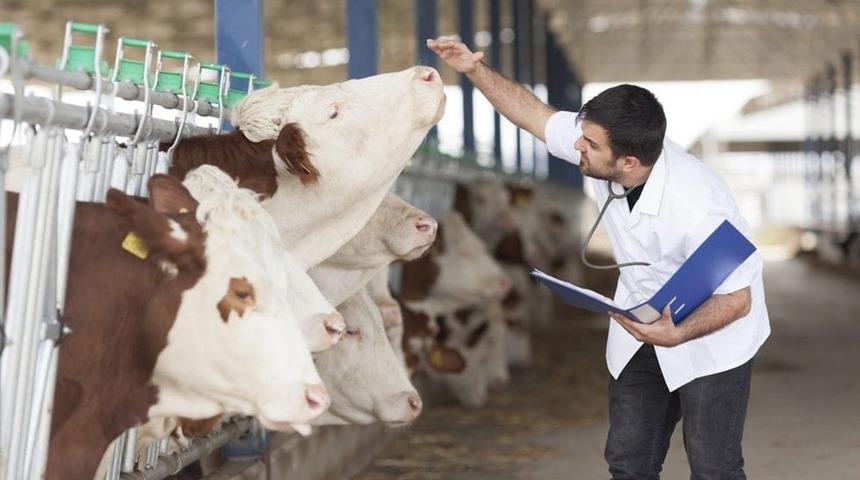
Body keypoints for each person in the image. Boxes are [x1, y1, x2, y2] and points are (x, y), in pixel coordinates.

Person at [427, 38, 770, 480]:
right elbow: (533, 114)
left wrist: (679, 331)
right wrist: (474, 70)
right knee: (628, 463)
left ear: (628, 161)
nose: (578, 147)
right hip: (639, 322)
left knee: (713, 467)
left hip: (711, 337)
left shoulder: (699, 204)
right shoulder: (604, 146)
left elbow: (737, 297)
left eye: (588, 143)